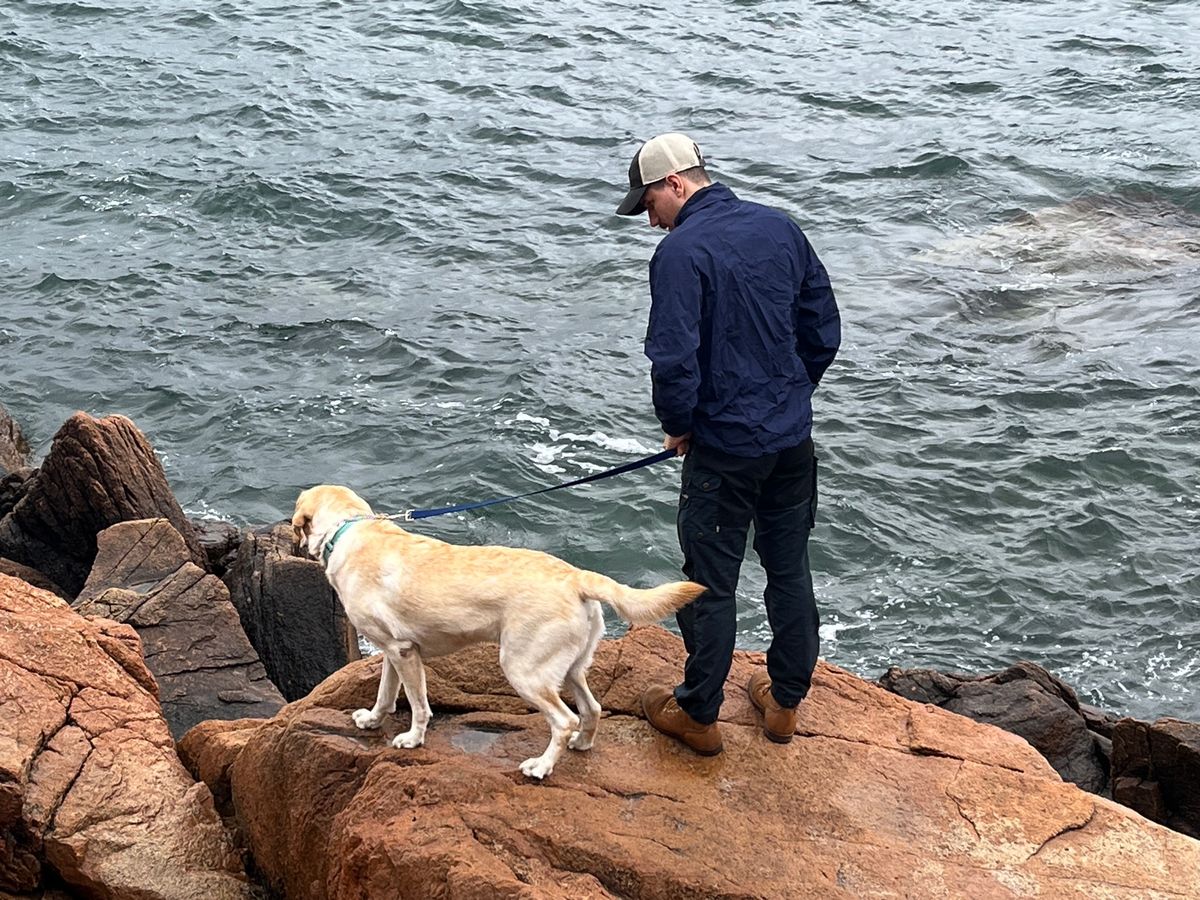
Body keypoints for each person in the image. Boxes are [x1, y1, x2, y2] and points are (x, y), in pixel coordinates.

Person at [616, 133, 841, 755]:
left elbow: (673, 357)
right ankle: (784, 703)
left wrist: (680, 423)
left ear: (675, 185)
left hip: (724, 449)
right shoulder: (780, 228)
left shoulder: (680, 252)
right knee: (789, 568)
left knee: (708, 581)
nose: (650, 221)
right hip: (790, 441)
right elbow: (822, 327)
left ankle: (699, 714)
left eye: (649, 205)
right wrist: (791, 393)